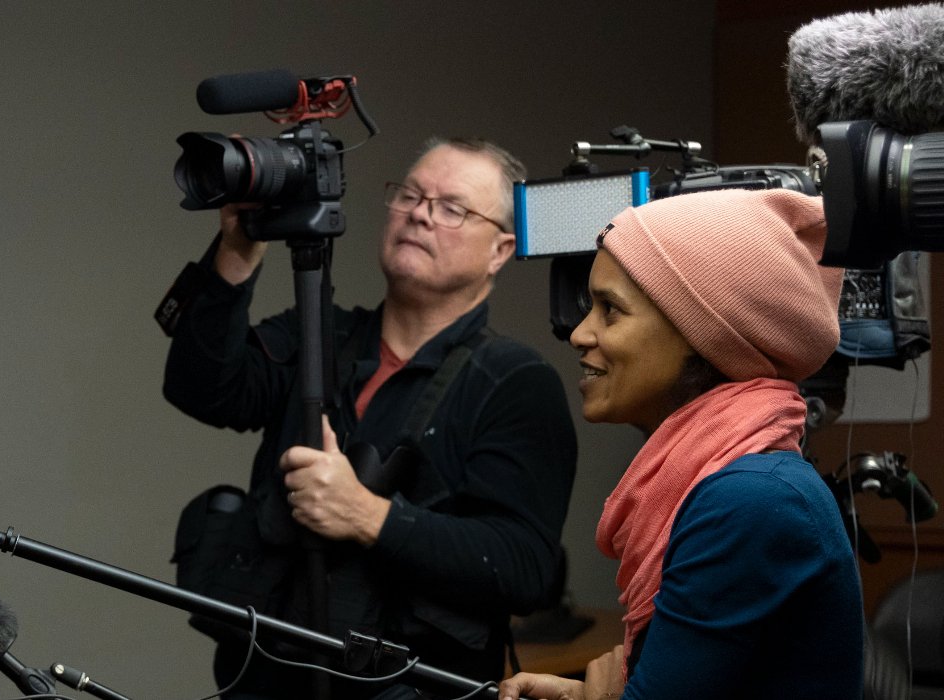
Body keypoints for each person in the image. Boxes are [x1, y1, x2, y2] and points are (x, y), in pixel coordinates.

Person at [163, 137, 578, 698]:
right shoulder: (318, 332)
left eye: (452, 207)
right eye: (409, 195)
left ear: (500, 251)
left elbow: (525, 568)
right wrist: (239, 250)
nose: (420, 214)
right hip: (265, 681)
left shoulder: (515, 381)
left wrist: (368, 516)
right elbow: (201, 389)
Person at [497, 189, 865, 700]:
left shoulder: (752, 500)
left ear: (703, 333)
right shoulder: (739, 482)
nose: (580, 334)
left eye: (610, 310)